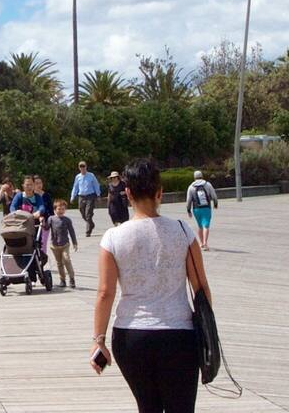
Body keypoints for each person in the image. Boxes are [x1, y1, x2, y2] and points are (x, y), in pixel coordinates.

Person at [89, 158, 210, 412]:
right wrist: (208, 331)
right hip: (179, 335)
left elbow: (105, 293)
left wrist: (98, 341)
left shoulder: (113, 237)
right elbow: (200, 287)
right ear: (160, 193)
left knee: (148, 406)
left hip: (131, 336)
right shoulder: (183, 231)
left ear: (128, 193)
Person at [48, 199, 78, 289]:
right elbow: (46, 228)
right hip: (54, 245)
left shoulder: (67, 220)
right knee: (59, 263)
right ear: (54, 210)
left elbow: (72, 231)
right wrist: (42, 222)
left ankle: (72, 278)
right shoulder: (51, 219)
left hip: (65, 244)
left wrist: (75, 243)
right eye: (59, 209)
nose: (61, 211)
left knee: (66, 260)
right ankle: (62, 280)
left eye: (63, 209)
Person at [184, 170, 218, 250]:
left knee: (199, 226)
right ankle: (206, 243)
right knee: (206, 225)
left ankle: (201, 243)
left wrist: (189, 210)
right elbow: (214, 195)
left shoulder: (191, 187)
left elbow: (188, 200)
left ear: (194, 177)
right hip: (206, 208)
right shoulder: (208, 184)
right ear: (202, 176)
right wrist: (215, 204)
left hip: (196, 209)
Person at [70, 161, 103, 237]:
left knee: (88, 214)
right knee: (82, 211)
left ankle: (88, 231)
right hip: (81, 196)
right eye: (80, 166)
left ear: (86, 167)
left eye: (83, 166)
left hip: (90, 196)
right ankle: (91, 224)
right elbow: (75, 187)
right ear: (79, 168)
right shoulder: (78, 177)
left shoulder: (91, 175)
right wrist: (72, 196)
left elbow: (96, 185)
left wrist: (98, 195)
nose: (82, 168)